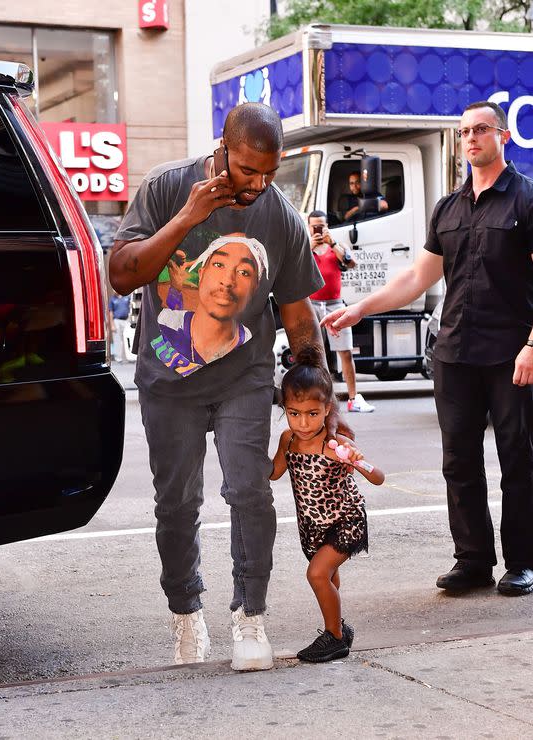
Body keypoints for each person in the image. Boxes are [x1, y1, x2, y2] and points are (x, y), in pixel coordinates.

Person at [109, 102, 351, 671]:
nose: (257, 184)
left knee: (250, 492)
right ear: (222, 149)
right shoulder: (168, 188)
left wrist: (323, 394)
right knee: (177, 504)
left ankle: (251, 615)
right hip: (170, 380)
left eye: (268, 172)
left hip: (245, 375)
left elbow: (296, 319)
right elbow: (122, 274)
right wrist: (187, 219)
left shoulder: (283, 218)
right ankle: (187, 614)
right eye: (246, 170)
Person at [322, 100, 533, 596]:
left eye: (482, 129)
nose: (472, 138)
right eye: (464, 132)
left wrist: (531, 344)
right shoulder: (449, 207)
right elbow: (418, 277)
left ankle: (522, 561)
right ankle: (473, 561)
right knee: (458, 460)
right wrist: (360, 308)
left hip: (511, 353)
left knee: (518, 459)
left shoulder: (525, 199)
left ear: (503, 136)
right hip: (455, 352)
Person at [270, 346, 384, 662]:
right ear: (285, 408)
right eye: (294, 413)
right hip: (312, 526)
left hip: (346, 520)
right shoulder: (287, 440)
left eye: (312, 414)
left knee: (317, 575)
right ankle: (339, 628)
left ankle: (334, 637)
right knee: (328, 578)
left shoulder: (334, 443)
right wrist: (249, 458)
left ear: (327, 410)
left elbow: (379, 478)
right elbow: (275, 472)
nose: (303, 423)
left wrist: (359, 461)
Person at [156, 234, 267, 367]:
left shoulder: (248, 344)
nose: (227, 281)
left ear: (255, 288)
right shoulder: (166, 323)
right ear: (201, 274)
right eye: (219, 264)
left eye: (243, 272)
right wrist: (175, 288)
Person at [308, 210, 375, 413]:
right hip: (312, 305)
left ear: (327, 226)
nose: (318, 230)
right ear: (309, 226)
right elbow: (294, 267)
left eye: (322, 226)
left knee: (345, 351)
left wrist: (333, 243)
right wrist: (308, 247)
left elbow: (351, 263)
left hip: (335, 305)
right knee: (315, 355)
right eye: (314, 226)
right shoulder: (304, 248)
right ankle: (318, 399)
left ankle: (353, 399)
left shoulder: (336, 246)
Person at [109, 291, 131, 363]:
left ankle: (127, 357)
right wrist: (112, 325)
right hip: (116, 321)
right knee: (117, 340)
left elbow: (130, 308)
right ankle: (118, 358)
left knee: (126, 339)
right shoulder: (113, 299)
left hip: (126, 321)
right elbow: (110, 312)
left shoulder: (127, 297)